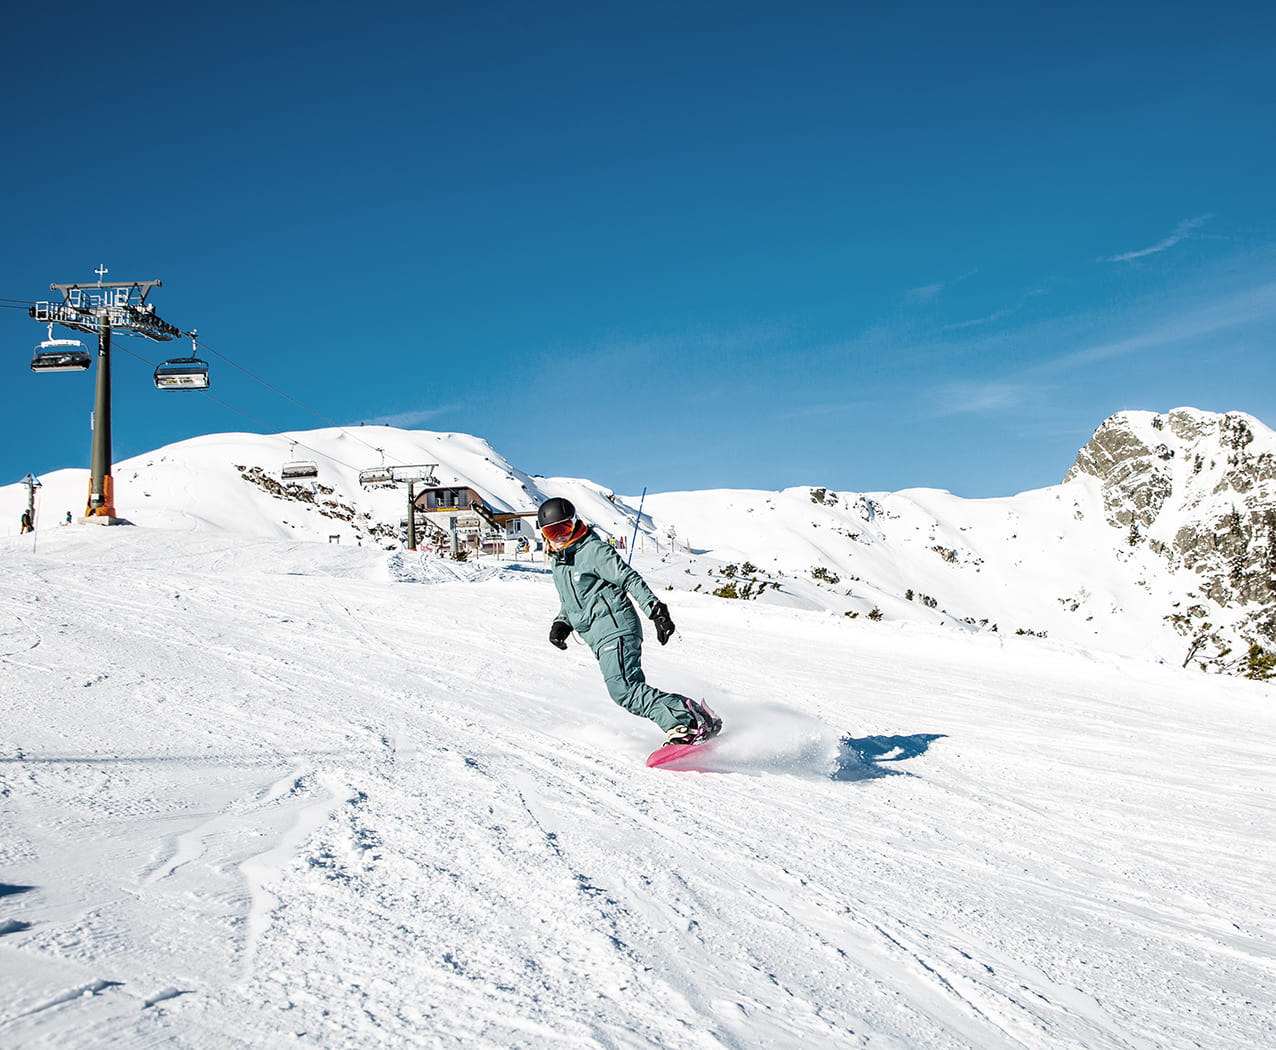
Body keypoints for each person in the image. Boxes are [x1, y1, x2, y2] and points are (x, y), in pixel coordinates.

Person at [538, 497, 721, 745]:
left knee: (625, 690)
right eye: (552, 531)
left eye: (564, 529)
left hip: (615, 628)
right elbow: (572, 599)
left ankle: (683, 725)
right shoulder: (560, 563)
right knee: (626, 690)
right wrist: (562, 622)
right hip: (598, 636)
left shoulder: (593, 550)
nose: (559, 537)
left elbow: (629, 579)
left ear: (575, 523)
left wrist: (656, 611)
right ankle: (694, 715)